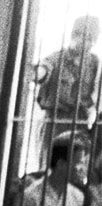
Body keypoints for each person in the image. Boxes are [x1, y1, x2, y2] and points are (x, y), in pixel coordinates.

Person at [33, 13, 100, 166]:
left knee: (76, 168)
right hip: (55, 121)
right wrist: (38, 73)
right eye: (85, 37)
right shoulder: (56, 58)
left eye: (92, 39)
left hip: (80, 122)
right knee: (50, 166)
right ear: (74, 35)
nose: (88, 43)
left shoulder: (95, 63)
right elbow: (43, 71)